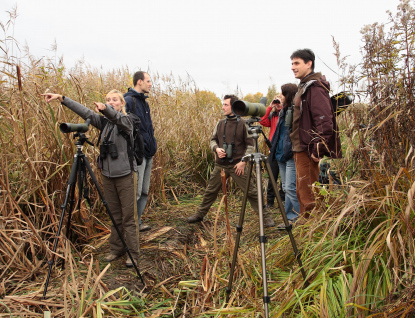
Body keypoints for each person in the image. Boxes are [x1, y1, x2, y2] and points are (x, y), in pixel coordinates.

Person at [42, 90, 140, 268]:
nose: (111, 102)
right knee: (115, 215)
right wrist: (62, 98)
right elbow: (85, 112)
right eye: (108, 100)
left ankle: (133, 254)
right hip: (108, 176)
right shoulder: (104, 123)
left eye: (115, 100)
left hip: (126, 175)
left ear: (122, 103)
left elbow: (118, 119)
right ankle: (116, 248)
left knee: (128, 218)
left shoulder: (128, 121)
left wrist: (105, 109)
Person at [186, 94, 276, 227]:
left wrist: (243, 162)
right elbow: (213, 140)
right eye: (223, 104)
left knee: (251, 192)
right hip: (220, 165)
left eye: (225, 105)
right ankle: (200, 214)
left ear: (233, 107)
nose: (223, 107)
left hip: (238, 166)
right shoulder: (220, 123)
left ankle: (266, 218)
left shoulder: (244, 124)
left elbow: (250, 145)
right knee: (210, 191)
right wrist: (216, 149)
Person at [289, 49, 342, 216]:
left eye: (296, 63)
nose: (292, 67)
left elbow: (325, 121)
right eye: (292, 63)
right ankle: (306, 228)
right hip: (300, 147)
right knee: (302, 191)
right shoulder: (304, 86)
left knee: (309, 195)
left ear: (309, 63)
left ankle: (313, 230)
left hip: (307, 148)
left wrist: (318, 148)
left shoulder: (315, 88)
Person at [124, 71, 157, 232]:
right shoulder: (128, 101)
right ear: (139, 82)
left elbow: (147, 128)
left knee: (144, 192)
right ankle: (129, 227)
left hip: (148, 152)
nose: (151, 84)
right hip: (138, 154)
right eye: (148, 81)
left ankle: (137, 223)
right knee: (135, 193)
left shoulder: (144, 102)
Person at [269, 84, 300, 229]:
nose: (279, 96)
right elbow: (277, 133)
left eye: (282, 94)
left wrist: (292, 151)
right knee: (286, 188)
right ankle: (290, 218)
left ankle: (299, 220)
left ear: (288, 94)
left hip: (290, 155)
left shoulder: (295, 111)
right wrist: (273, 149)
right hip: (280, 154)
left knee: (291, 188)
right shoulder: (282, 112)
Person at [259, 96, 285, 208]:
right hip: (273, 151)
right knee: (272, 177)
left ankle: (283, 200)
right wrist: (270, 106)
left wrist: (282, 105)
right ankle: (270, 201)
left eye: (280, 101)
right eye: (276, 101)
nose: (278, 104)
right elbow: (262, 121)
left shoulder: (287, 114)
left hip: (284, 151)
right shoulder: (273, 116)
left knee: (285, 179)